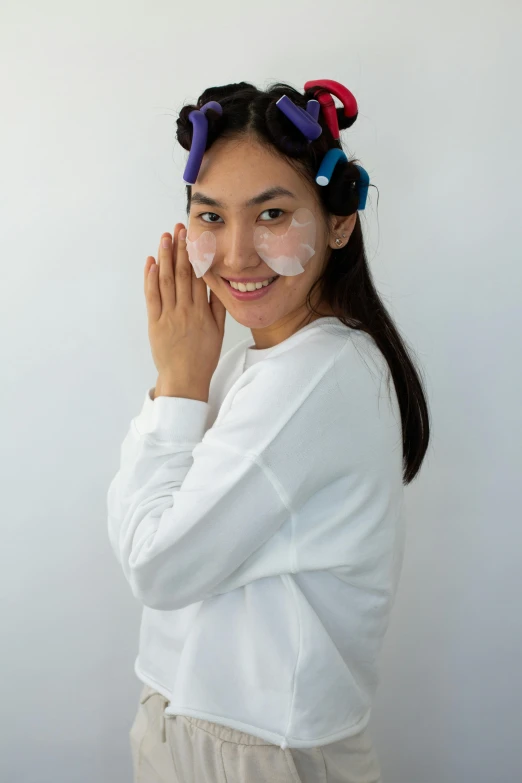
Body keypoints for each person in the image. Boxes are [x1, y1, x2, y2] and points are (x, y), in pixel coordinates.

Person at [107, 79, 431, 783]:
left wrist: (177, 385)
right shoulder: (263, 364)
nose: (236, 254)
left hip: (255, 751)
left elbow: (155, 563)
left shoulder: (311, 375)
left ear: (340, 220)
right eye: (210, 217)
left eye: (273, 213)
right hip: (199, 729)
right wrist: (184, 382)